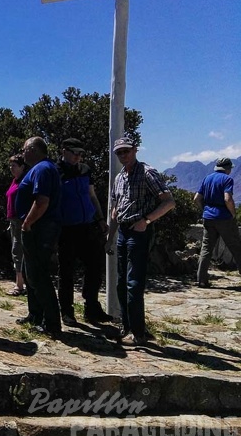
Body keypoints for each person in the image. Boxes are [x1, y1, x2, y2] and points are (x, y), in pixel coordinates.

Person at [108, 136, 175, 345]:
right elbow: (116, 206)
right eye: (119, 153)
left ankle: (137, 333)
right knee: (121, 283)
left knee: (133, 283)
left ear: (135, 150)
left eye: (126, 151)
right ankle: (127, 327)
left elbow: (169, 201)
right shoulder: (120, 177)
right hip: (123, 232)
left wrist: (146, 220)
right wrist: (110, 236)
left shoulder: (147, 173)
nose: (123, 155)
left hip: (139, 231)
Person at [56, 138, 113, 325]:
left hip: (88, 225)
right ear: (64, 151)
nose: (78, 157)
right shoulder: (56, 172)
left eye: (81, 153)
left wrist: (100, 218)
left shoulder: (85, 170)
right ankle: (66, 311)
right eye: (74, 152)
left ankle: (92, 307)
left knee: (95, 266)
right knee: (66, 271)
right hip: (66, 228)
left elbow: (91, 195)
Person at [15, 136, 63, 337]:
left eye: (24, 149)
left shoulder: (43, 168)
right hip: (35, 227)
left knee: (39, 275)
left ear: (34, 149)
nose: (22, 152)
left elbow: (42, 201)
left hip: (39, 228)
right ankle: (35, 314)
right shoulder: (40, 168)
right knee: (29, 272)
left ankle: (52, 323)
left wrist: (28, 223)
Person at [195, 157, 241, 288]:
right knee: (236, 247)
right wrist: (232, 214)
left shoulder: (207, 178)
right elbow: (228, 199)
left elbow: (197, 198)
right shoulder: (227, 179)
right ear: (227, 168)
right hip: (224, 218)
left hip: (208, 218)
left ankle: (201, 280)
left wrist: (205, 210)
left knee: (206, 248)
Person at [6, 154, 28, 296]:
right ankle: (20, 282)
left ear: (22, 167)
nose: (11, 168)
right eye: (10, 165)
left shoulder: (24, 182)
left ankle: (20, 285)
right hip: (13, 221)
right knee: (16, 251)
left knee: (18, 251)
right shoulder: (15, 181)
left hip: (21, 220)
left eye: (14, 165)